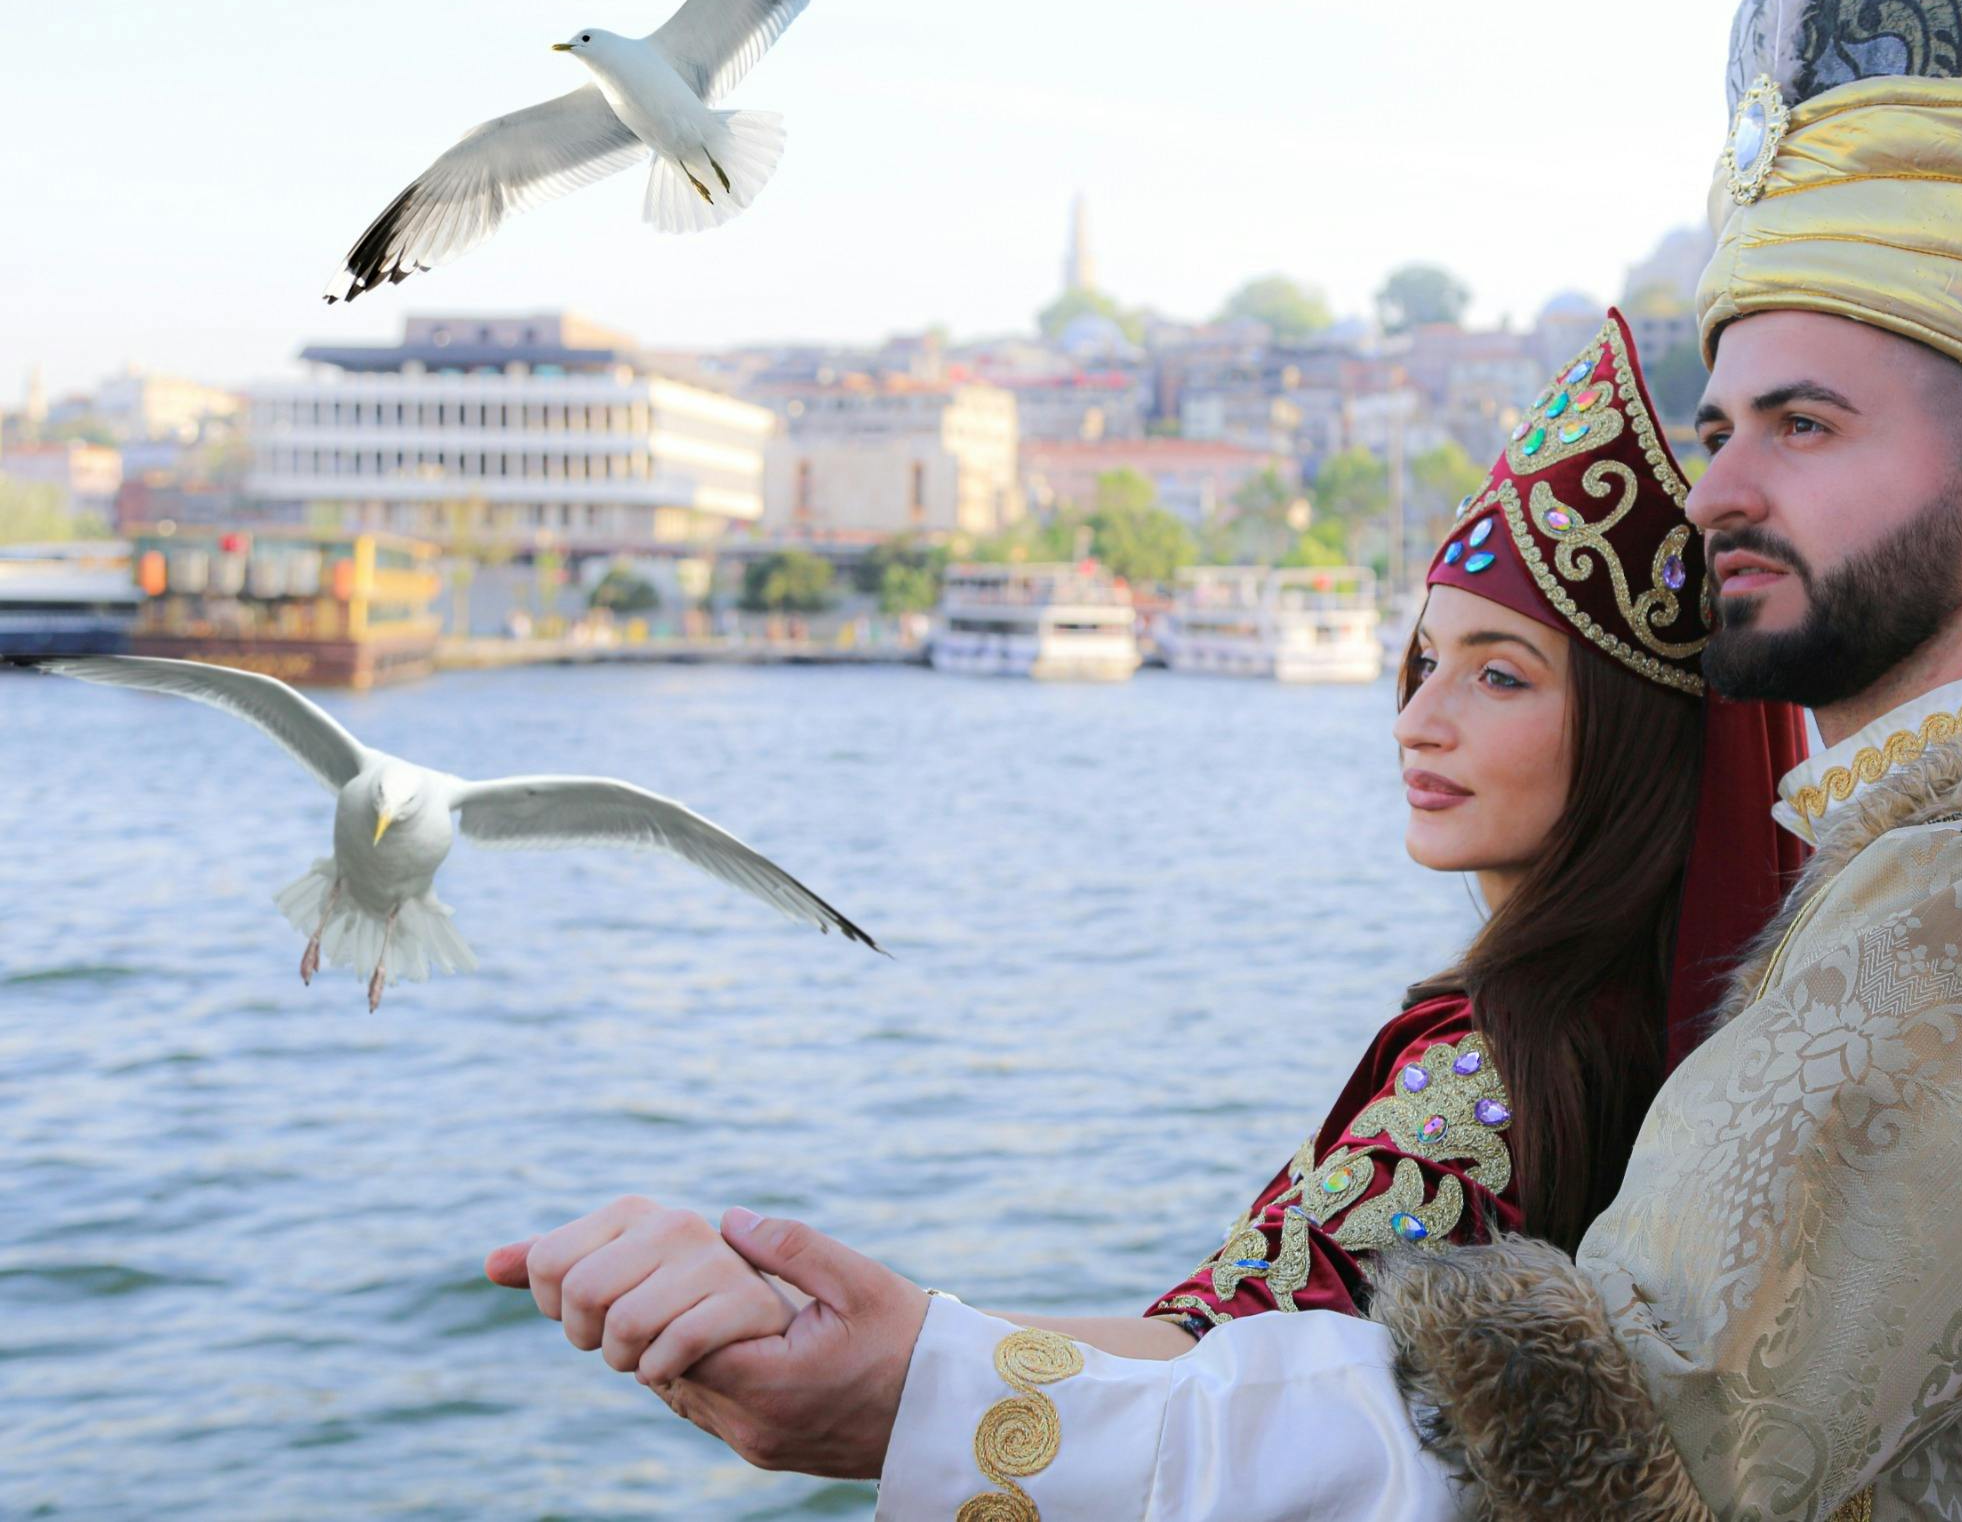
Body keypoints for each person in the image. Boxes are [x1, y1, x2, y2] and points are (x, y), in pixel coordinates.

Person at [564, 0, 1962, 1520]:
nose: (1719, 493)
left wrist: (944, 1397)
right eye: (1719, 425)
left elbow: (1610, 1430)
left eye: (1804, 426)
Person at [481, 315, 1809, 1487]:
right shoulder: (1670, 1023)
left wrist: (905, 1367)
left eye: (1499, 676)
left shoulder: (1494, 1070)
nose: (1418, 717)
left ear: (1632, 734)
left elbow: (1228, 1355)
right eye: (1419, 663)